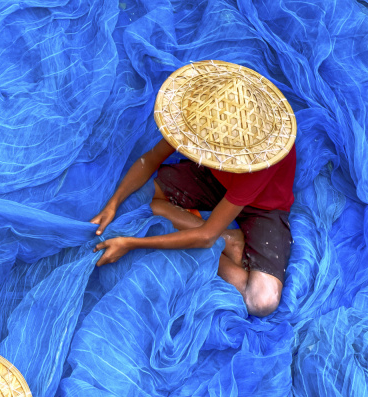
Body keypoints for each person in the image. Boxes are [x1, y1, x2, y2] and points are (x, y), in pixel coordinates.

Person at [90, 60, 297, 317]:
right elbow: (150, 160)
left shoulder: (258, 158)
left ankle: (221, 241)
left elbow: (205, 236)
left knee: (261, 301)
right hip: (213, 179)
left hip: (262, 207)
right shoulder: (197, 116)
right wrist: (114, 201)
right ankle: (228, 240)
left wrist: (132, 243)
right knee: (143, 198)